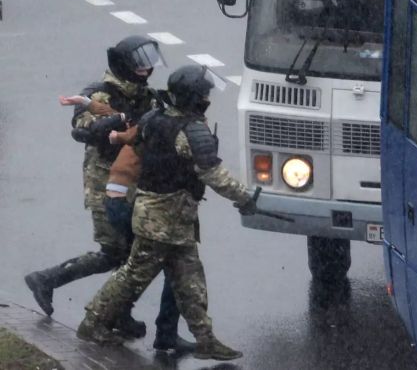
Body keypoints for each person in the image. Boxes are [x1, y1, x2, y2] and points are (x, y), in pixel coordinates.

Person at [77, 65, 256, 361]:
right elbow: (213, 174)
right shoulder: (190, 131)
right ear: (194, 98)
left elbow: (135, 141)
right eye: (204, 94)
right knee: (133, 276)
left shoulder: (154, 119)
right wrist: (245, 199)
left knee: (190, 282)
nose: (208, 99)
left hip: (168, 219)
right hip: (161, 222)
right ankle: (92, 323)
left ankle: (206, 339)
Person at [24, 35, 165, 339]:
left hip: (134, 184)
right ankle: (46, 279)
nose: (145, 71)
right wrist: (112, 122)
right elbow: (81, 129)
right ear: (123, 64)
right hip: (105, 187)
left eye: (148, 65)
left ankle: (118, 314)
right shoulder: (100, 94)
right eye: (139, 65)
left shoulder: (147, 96)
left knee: (131, 254)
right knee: (115, 253)